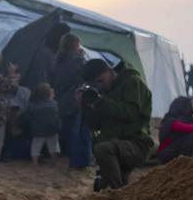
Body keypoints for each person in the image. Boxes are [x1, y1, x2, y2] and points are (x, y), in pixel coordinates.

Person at [81, 58, 154, 191]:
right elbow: (96, 124)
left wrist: (100, 101)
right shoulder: (104, 92)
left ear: (110, 71)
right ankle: (120, 193)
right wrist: (86, 105)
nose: (100, 86)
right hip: (116, 145)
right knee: (102, 188)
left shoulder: (132, 82)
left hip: (136, 143)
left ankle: (119, 193)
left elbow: (130, 113)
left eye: (100, 81)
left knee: (103, 150)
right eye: (95, 84)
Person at [51, 34, 91, 168]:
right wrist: (81, 57)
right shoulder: (77, 60)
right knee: (79, 131)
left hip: (61, 99)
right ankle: (79, 162)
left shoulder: (56, 60)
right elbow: (83, 76)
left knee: (67, 130)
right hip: (75, 99)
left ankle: (67, 156)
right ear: (75, 45)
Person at [23, 83, 62, 165]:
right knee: (53, 146)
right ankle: (54, 161)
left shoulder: (32, 104)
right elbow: (57, 115)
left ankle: (35, 163)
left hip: (37, 129)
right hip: (52, 129)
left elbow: (27, 116)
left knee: (36, 146)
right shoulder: (53, 103)